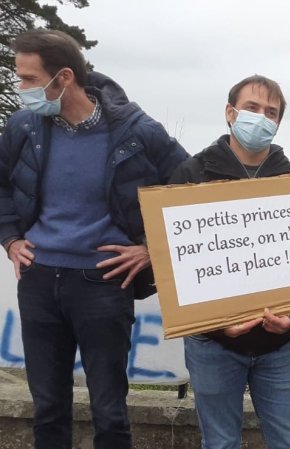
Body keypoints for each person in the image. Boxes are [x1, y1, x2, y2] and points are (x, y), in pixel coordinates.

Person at [0, 29, 189, 448]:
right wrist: (11, 238)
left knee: (110, 411)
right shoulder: (23, 127)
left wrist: (151, 250)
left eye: (29, 79)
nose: (21, 88)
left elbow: (190, 192)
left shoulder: (139, 130)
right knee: (47, 408)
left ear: (64, 77)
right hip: (37, 280)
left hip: (103, 284)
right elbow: (2, 187)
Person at [168, 74, 290, 449]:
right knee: (220, 443)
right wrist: (218, 326)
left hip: (280, 347)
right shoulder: (192, 175)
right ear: (230, 112)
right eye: (252, 108)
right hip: (212, 346)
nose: (261, 118)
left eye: (271, 112)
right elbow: (175, 267)